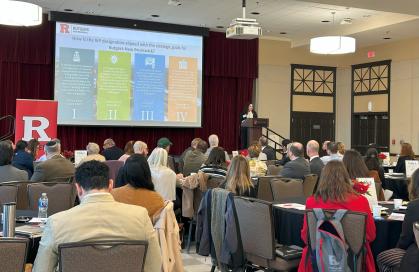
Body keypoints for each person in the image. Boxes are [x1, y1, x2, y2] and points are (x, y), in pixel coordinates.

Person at [32, 160, 162, 272]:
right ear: (111, 185)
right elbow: (154, 266)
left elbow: (41, 269)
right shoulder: (140, 216)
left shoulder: (56, 222)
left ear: (78, 188)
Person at [298, 161, 376, 272]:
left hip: (318, 261)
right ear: (346, 177)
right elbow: (370, 235)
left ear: (322, 178)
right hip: (354, 261)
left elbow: (306, 237)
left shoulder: (311, 202)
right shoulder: (361, 201)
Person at [377, 168, 419, 271]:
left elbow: (405, 238)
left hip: (416, 257)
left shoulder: (414, 206)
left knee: (381, 258)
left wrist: (397, 249)